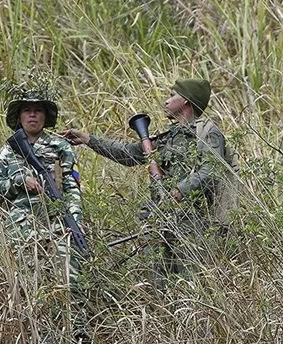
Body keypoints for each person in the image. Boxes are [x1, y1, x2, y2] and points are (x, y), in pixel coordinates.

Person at [62, 79, 227, 286]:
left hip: (191, 221)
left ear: (186, 101)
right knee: (159, 281)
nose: (166, 101)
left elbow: (211, 169)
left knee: (191, 281)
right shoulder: (167, 138)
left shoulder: (207, 132)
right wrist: (88, 139)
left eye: (172, 95)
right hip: (158, 217)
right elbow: (127, 154)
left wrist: (179, 191)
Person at [0, 87, 90, 344]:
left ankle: (76, 335)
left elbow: (72, 187)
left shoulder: (60, 147)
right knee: (31, 285)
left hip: (58, 223)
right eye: (27, 110)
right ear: (19, 116)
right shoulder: (7, 151)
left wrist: (75, 221)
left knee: (71, 278)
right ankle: (39, 339)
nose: (32, 116)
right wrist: (20, 180)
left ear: (46, 117)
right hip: (21, 229)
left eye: (38, 111)